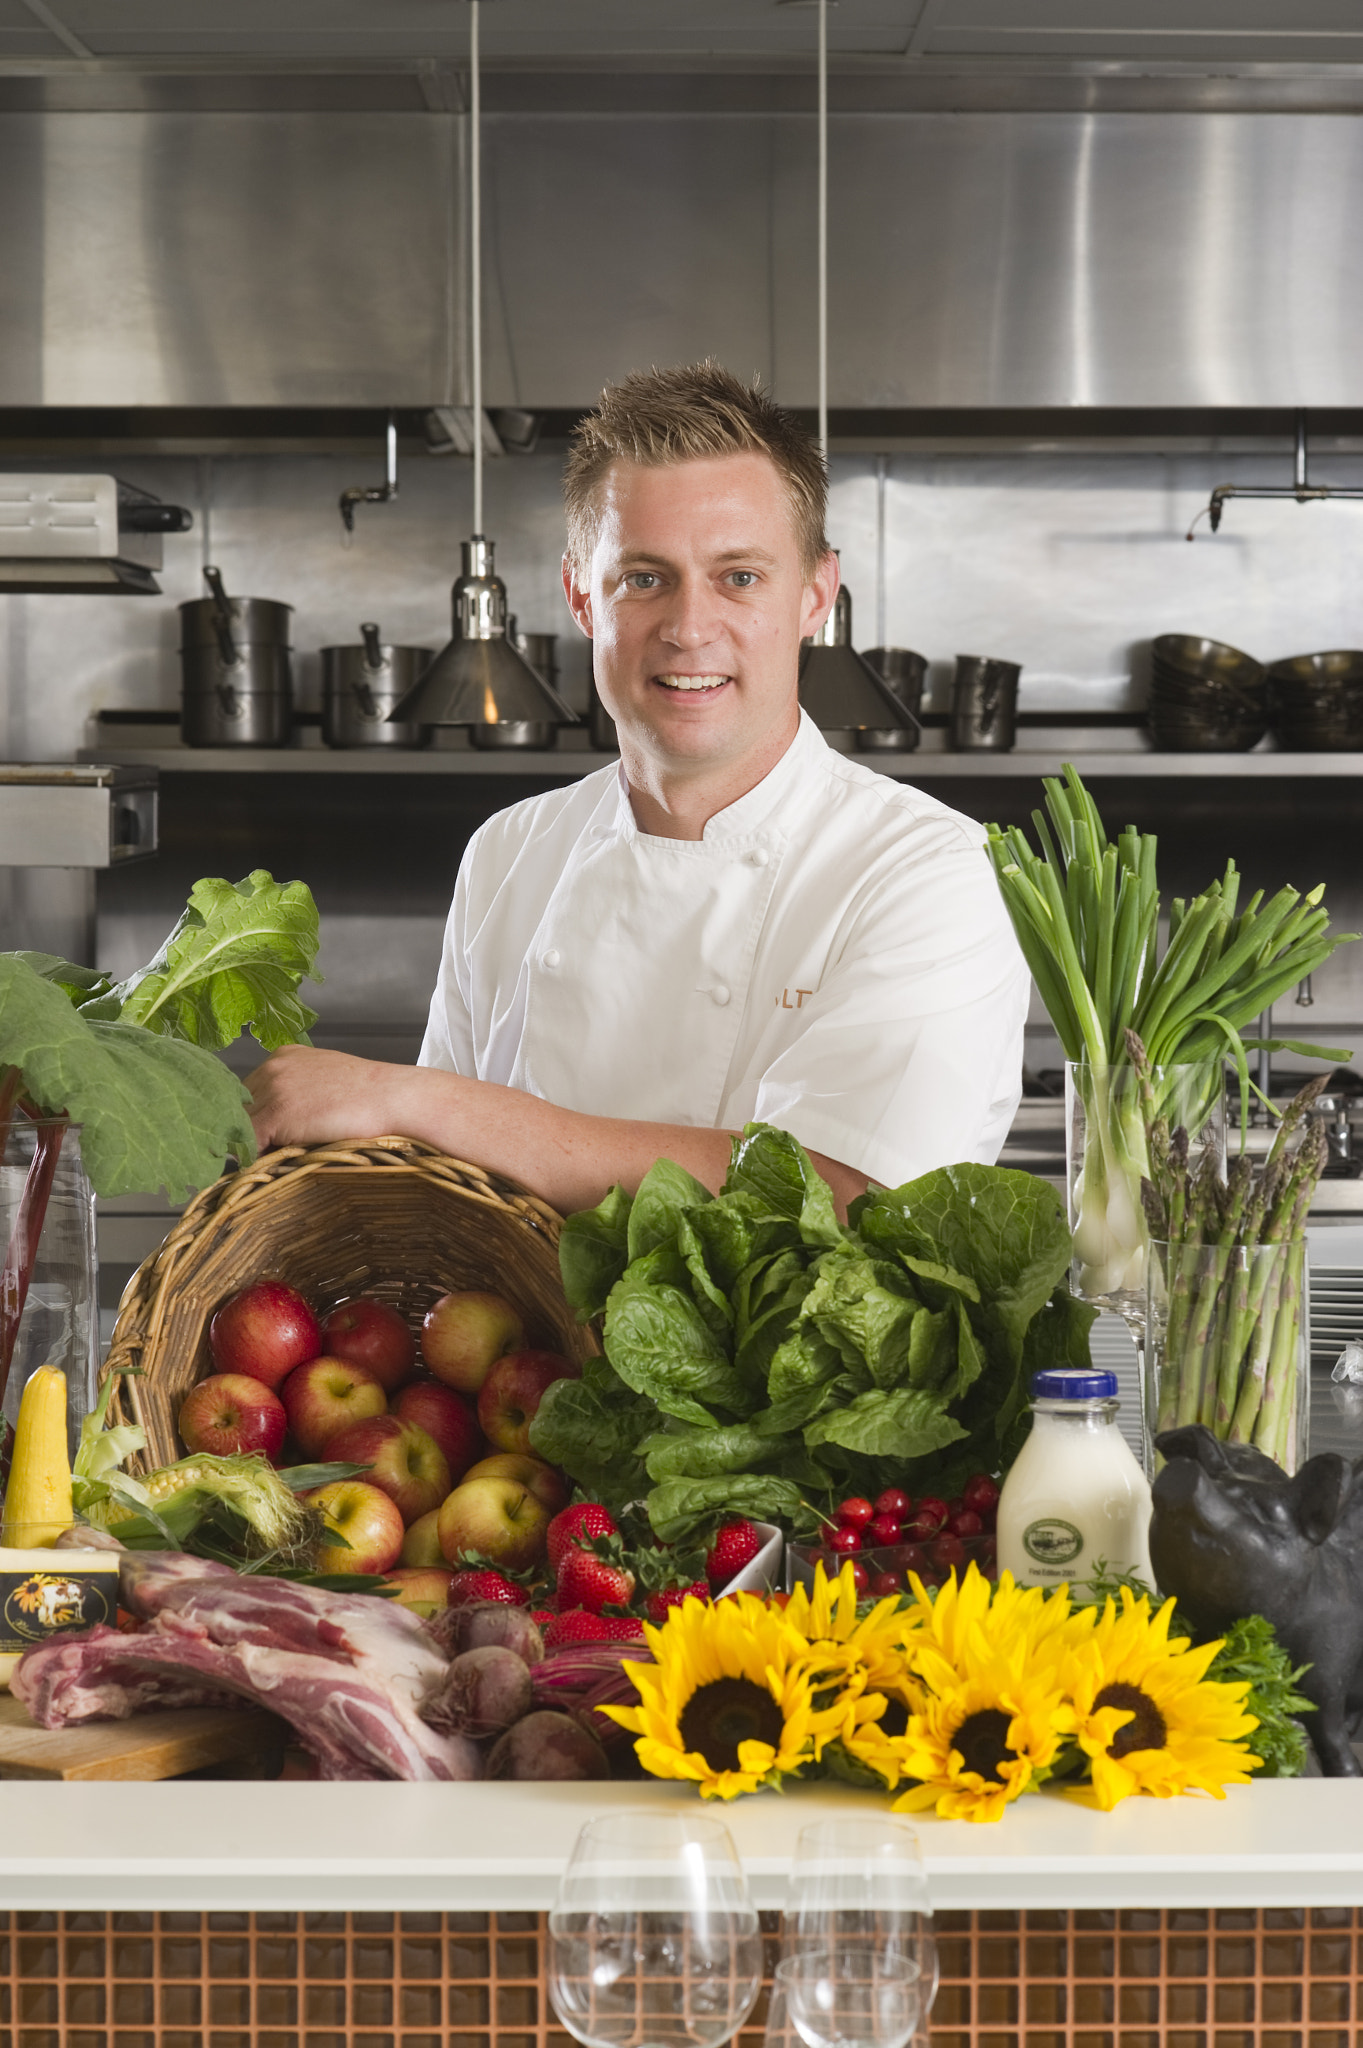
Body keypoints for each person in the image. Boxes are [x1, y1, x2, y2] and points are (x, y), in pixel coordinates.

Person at [247, 361, 1029, 1218]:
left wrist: (407, 1098)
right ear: (583, 595)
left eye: (739, 576)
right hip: (517, 1351)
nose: (690, 629)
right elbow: (445, 1193)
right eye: (644, 578)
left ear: (815, 595)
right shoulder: (510, 850)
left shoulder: (924, 867)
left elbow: (850, 1201)